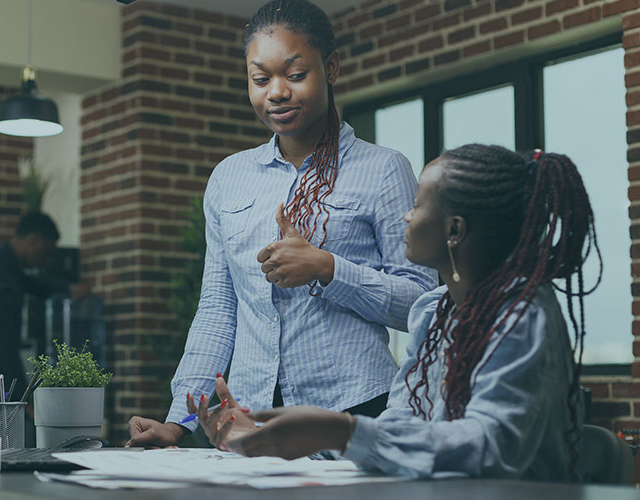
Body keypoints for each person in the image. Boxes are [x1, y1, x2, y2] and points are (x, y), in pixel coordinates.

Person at [127, 0, 437, 447]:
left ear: (330, 68)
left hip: (355, 410)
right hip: (252, 416)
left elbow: (422, 303)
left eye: (294, 75)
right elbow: (218, 311)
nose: (276, 91)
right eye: (260, 78)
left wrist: (329, 269)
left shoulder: (384, 169)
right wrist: (179, 423)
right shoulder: (229, 177)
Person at [215, 145, 599, 482]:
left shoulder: (522, 312)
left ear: (454, 229)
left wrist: (342, 432)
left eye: (416, 204)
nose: (406, 217)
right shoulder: (432, 312)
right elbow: (399, 430)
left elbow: (490, 446)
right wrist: (272, 439)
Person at [0, 212, 60, 402]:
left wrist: (66, 289)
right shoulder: (3, 281)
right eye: (47, 252)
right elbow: (5, 348)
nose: (46, 261)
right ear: (34, 240)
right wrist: (24, 398)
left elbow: (33, 285)